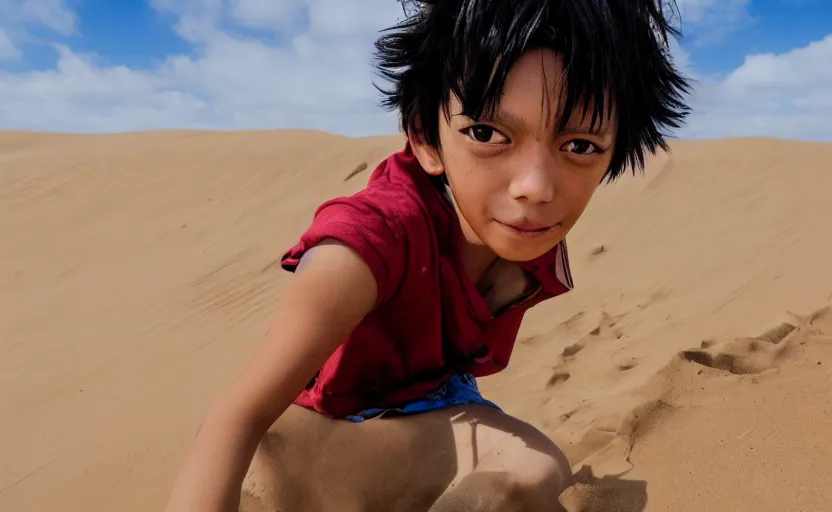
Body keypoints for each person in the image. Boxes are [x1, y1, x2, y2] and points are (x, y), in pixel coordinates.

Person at [164, 0, 690, 510]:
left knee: (537, 472)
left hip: (434, 405)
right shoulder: (362, 250)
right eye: (486, 134)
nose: (536, 186)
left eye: (579, 146)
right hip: (321, 427)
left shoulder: (520, 233)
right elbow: (234, 420)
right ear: (425, 138)